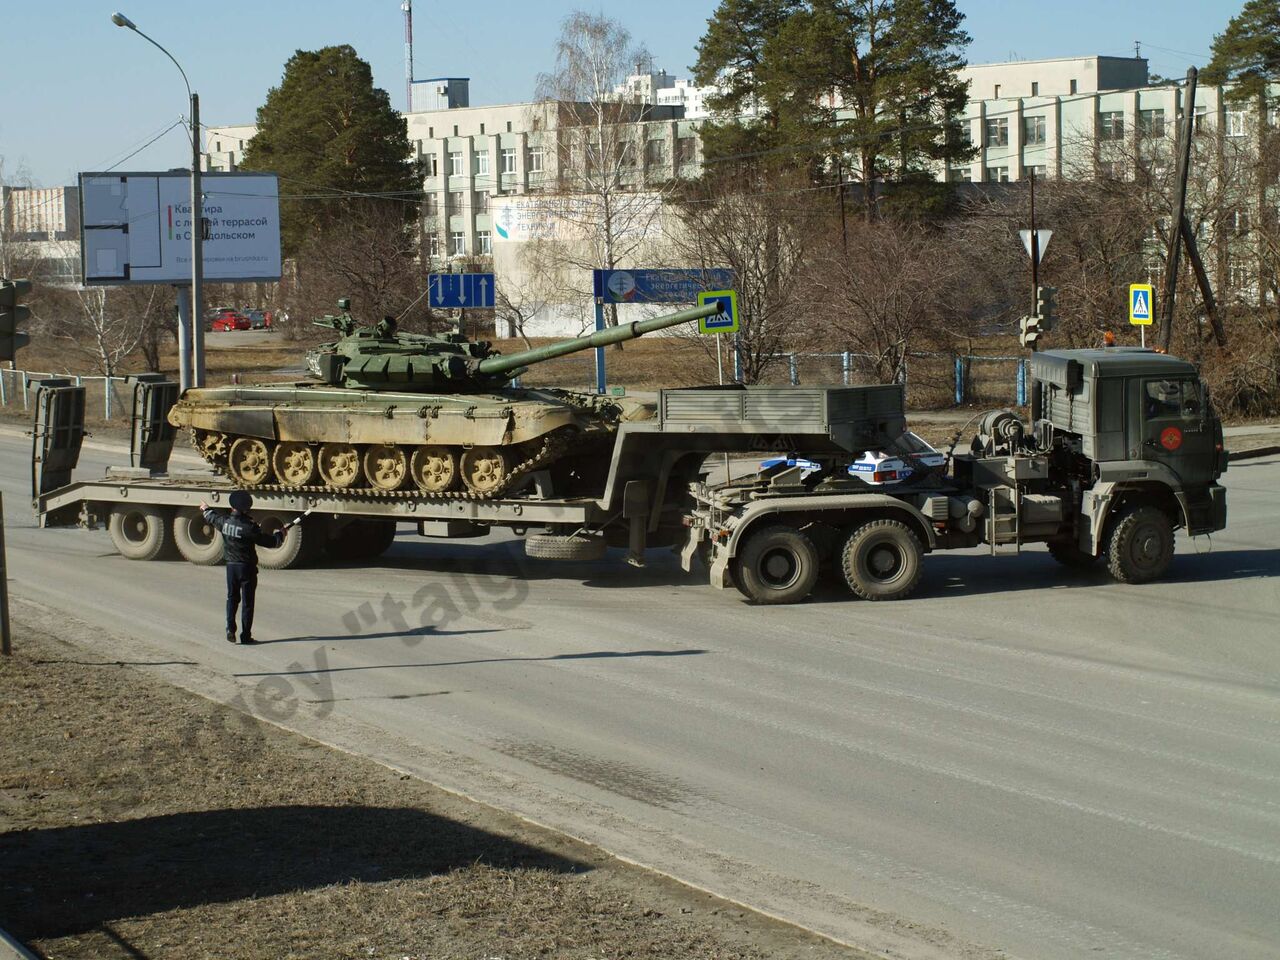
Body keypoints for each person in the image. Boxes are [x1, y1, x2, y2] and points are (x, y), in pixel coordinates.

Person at [198, 491, 302, 645]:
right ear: (246, 509)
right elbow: (271, 542)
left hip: (231, 567)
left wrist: (206, 508)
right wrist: (281, 534)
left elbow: (211, 517)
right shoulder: (249, 527)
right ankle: (245, 636)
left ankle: (230, 629)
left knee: (232, 598)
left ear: (232, 506)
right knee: (248, 602)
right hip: (247, 568)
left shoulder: (224, 522)